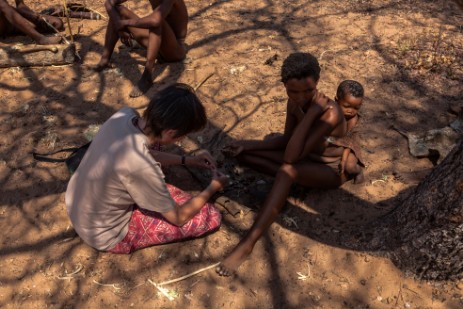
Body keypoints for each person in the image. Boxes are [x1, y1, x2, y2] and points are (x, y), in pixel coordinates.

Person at [217, 52, 348, 276]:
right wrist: (247, 145)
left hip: (329, 169)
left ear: (317, 82)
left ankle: (248, 243)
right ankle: (288, 187)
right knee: (242, 155)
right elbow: (288, 140)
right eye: (293, 92)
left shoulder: (329, 112)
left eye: (308, 90)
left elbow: (289, 158)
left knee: (287, 171)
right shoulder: (294, 102)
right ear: (285, 86)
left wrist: (312, 113)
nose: (301, 97)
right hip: (303, 155)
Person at [65, 83, 229, 254]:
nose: (181, 140)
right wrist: (213, 188)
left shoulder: (125, 115)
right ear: (171, 133)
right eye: (182, 136)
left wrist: (189, 160)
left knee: (156, 149)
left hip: (77, 205)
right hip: (103, 233)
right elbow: (179, 218)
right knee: (210, 216)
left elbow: (149, 153)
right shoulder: (141, 165)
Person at [93, 0, 188, 98]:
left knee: (156, 21)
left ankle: (147, 75)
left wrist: (125, 23)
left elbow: (155, 20)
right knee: (118, 11)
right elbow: (109, 3)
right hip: (157, 43)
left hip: (174, 50)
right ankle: (105, 59)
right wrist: (119, 25)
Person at [334, 80, 366, 184]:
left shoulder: (352, 119)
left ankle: (358, 171)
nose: (351, 111)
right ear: (336, 101)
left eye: (356, 108)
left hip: (350, 146)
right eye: (347, 106)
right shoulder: (331, 110)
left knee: (349, 166)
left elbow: (348, 142)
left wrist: (343, 160)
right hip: (337, 140)